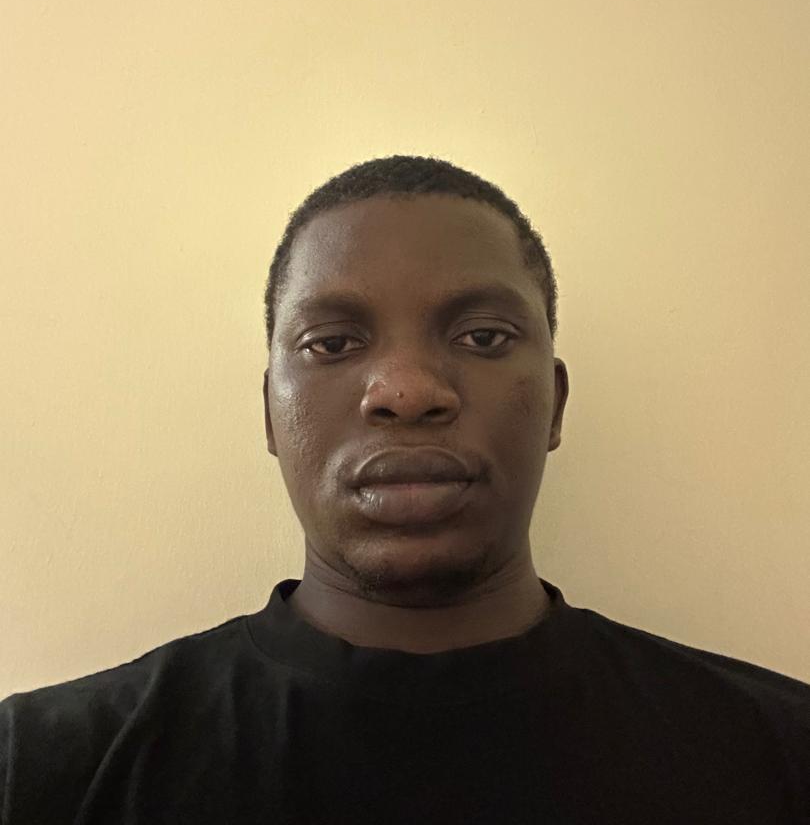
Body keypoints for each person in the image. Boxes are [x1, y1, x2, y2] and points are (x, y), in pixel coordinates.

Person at [1, 153, 808, 824]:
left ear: (556, 406)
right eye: (332, 343)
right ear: (271, 415)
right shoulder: (36, 770)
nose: (407, 389)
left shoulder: (781, 754)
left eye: (482, 336)